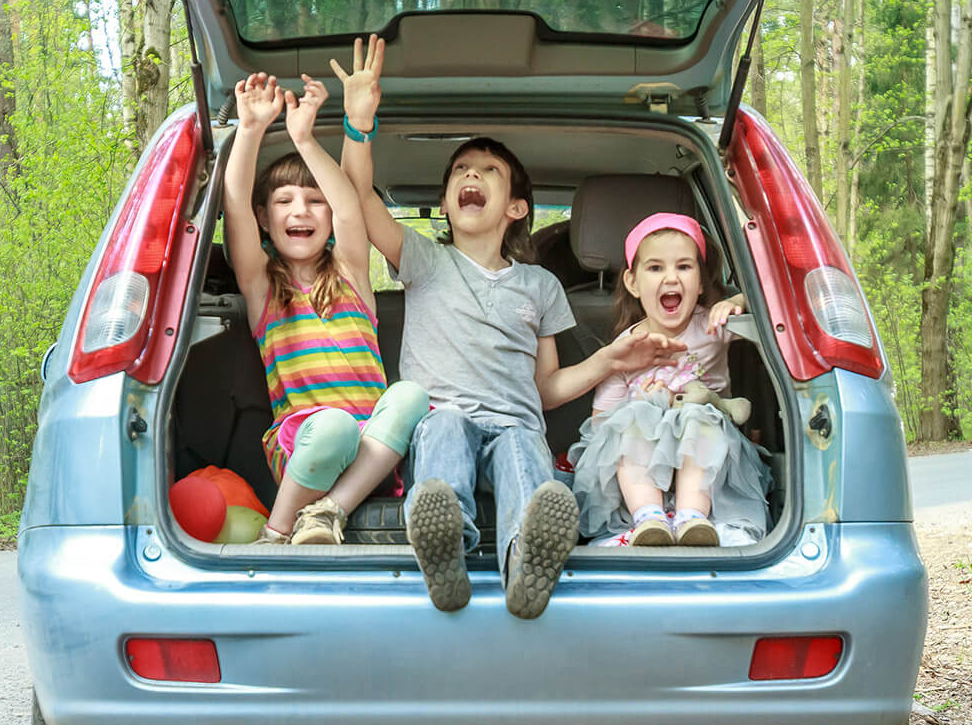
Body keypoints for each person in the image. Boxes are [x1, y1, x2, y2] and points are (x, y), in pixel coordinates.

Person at [334, 36, 684, 617]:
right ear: (446, 202)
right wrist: (358, 124)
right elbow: (360, 199)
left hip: (516, 423)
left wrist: (609, 360)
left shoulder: (540, 285)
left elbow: (544, 388)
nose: (471, 174)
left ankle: (527, 562)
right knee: (444, 427)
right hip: (443, 416)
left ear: (517, 207)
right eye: (461, 170)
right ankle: (444, 544)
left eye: (489, 170)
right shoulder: (424, 259)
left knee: (525, 445)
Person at [223, 69, 428, 546]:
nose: (301, 211)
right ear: (264, 218)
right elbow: (234, 206)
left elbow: (351, 208)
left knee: (411, 396)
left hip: (372, 452)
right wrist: (250, 129)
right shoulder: (262, 289)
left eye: (315, 201)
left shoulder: (351, 275)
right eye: (285, 201)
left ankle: (328, 511)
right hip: (305, 446)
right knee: (334, 426)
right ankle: (277, 532)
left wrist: (305, 139)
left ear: (330, 218)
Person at [568, 213, 770, 548]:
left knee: (699, 417)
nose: (671, 277)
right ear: (633, 282)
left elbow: (771, 296)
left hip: (707, 465)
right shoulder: (625, 348)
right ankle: (649, 519)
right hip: (640, 480)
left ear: (701, 282)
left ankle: (692, 518)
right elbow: (601, 425)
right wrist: (639, 406)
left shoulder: (713, 326)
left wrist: (736, 301)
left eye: (684, 267)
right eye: (655, 267)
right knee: (634, 417)